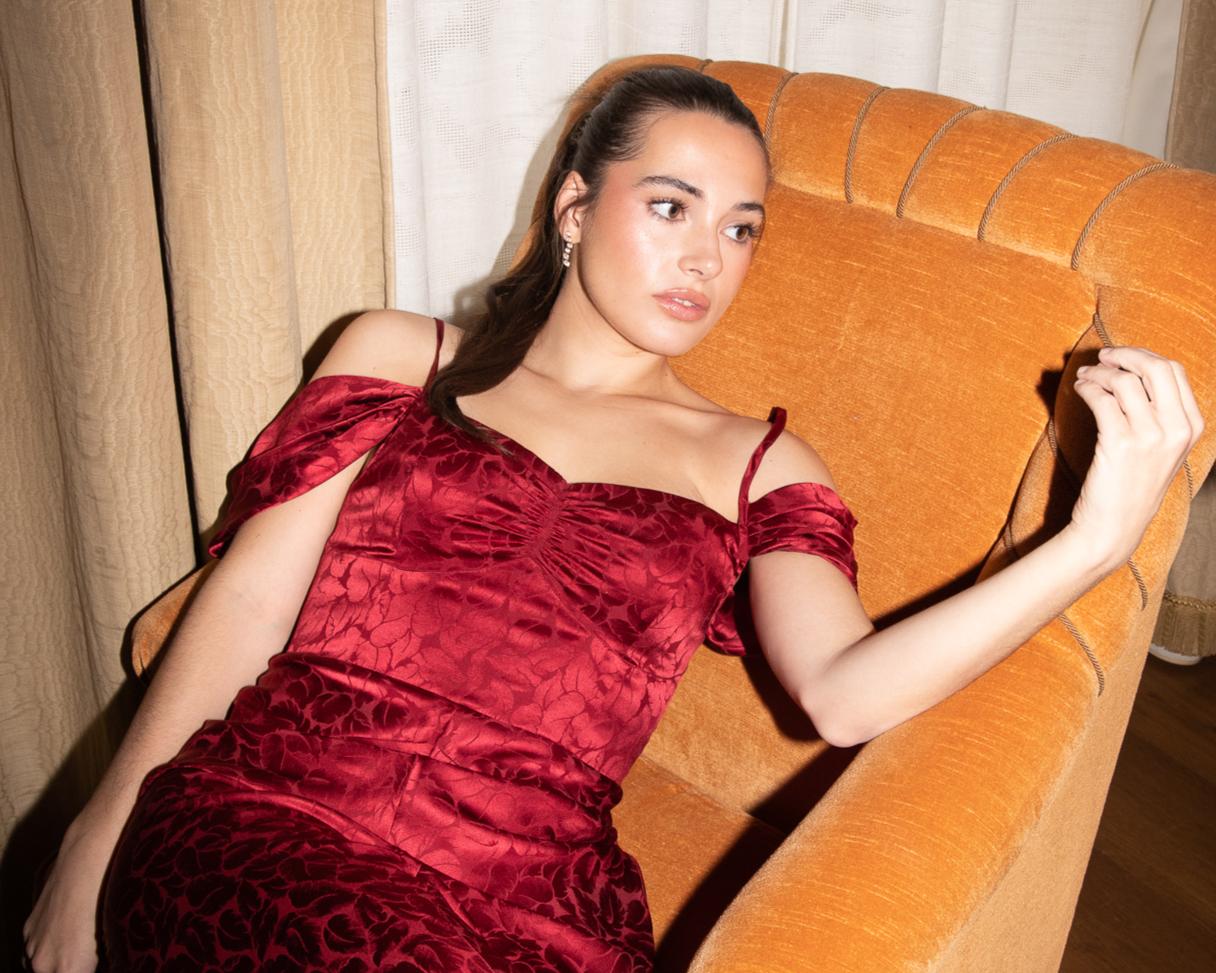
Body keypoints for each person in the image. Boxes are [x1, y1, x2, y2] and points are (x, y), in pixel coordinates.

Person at [24, 65, 1202, 973]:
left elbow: (846, 694)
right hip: (273, 825)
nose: (707, 259)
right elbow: (244, 608)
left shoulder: (756, 463)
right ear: (575, 207)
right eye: (672, 206)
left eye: (739, 227)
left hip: (527, 907)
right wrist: (94, 839)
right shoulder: (397, 357)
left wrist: (1091, 541)